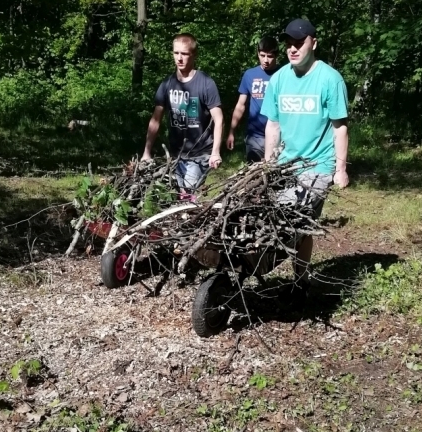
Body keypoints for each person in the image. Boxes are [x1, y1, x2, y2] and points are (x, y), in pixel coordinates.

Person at [261, 17, 349, 280]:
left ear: (314, 43)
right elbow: (273, 126)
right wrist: (268, 165)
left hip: (318, 166)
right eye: (289, 44)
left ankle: (299, 279)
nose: (293, 49)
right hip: (285, 164)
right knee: (273, 216)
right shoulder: (278, 80)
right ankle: (277, 270)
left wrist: (340, 169)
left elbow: (340, 128)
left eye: (299, 43)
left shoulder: (330, 79)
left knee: (296, 220)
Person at [142, 33, 223, 197]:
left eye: (184, 54)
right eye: (176, 53)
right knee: (177, 196)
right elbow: (155, 120)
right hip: (176, 153)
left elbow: (219, 118)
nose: (179, 58)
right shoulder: (167, 84)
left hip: (200, 152)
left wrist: (215, 152)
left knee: (187, 193)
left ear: (194, 55)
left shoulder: (206, 83)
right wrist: (146, 152)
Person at [225, 35, 281, 163]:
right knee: (255, 175)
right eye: (262, 55)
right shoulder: (249, 75)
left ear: (276, 55)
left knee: (277, 176)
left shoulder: (283, 74)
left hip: (278, 134)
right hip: (255, 136)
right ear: (258, 53)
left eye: (270, 56)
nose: (265, 60)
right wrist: (231, 132)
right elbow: (240, 105)